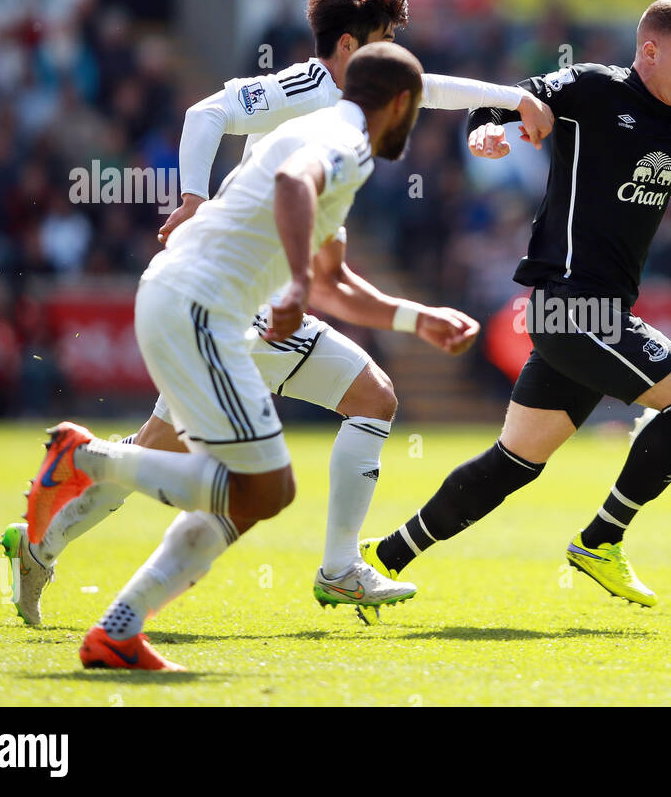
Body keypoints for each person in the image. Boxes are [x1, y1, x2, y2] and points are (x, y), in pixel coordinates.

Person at [1, 0, 553, 626]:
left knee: (340, 406)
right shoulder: (314, 84)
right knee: (234, 477)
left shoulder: (360, 99)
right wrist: (193, 201)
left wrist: (512, 96)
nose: (395, 61)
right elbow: (209, 111)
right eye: (382, 41)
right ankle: (102, 547)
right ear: (349, 47)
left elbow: (423, 89)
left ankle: (45, 539)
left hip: (246, 299)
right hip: (241, 306)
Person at [356, 0, 671, 618]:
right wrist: (485, 133)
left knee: (514, 462)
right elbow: (504, 99)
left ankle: (385, 556)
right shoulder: (594, 87)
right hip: (572, 307)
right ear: (649, 52)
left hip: (589, 314)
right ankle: (601, 540)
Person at [25, 43, 426, 670]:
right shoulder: (344, 145)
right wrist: (293, 285)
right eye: (418, 110)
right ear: (400, 104)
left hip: (187, 300)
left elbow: (332, 281)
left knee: (256, 492)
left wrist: (418, 318)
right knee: (251, 485)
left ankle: (118, 629)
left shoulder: (315, 128)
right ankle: (85, 459)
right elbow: (296, 194)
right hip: (205, 310)